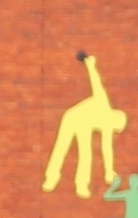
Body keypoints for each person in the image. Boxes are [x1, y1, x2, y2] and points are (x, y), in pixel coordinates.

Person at [43, 54, 127, 198]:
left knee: (86, 154)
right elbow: (96, 84)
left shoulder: (107, 127)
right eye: (114, 127)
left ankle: (81, 185)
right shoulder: (103, 103)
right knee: (61, 147)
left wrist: (109, 171)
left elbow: (107, 149)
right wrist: (90, 65)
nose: (111, 130)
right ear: (113, 117)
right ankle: (51, 177)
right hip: (72, 117)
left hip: (84, 125)